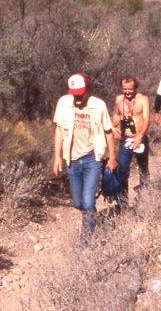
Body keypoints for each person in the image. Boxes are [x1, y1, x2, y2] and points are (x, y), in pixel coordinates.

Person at [52, 73, 117, 244]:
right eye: (75, 94)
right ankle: (89, 215)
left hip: (92, 158)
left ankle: (86, 241)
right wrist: (57, 156)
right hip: (72, 159)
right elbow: (59, 130)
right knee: (78, 202)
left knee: (88, 202)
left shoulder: (99, 106)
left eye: (81, 93)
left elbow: (108, 131)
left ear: (87, 90)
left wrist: (112, 157)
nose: (78, 98)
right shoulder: (64, 104)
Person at [111, 75, 151, 206]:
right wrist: (112, 127)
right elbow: (117, 115)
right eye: (125, 89)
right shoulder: (119, 100)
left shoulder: (143, 99)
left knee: (143, 167)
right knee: (122, 168)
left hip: (140, 138)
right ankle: (122, 201)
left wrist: (140, 136)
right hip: (125, 138)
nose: (127, 92)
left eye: (130, 89)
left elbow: (146, 120)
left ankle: (145, 195)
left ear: (135, 88)